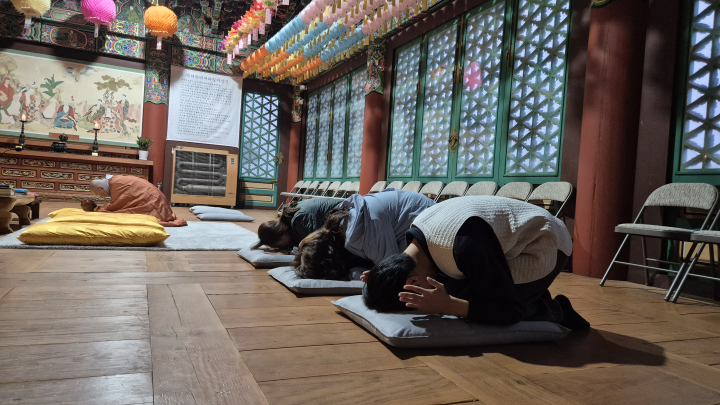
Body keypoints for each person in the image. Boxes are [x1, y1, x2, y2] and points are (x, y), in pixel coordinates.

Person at [361, 196, 589, 330]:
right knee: (455, 292)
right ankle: (532, 293)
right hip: (500, 243)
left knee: (481, 308)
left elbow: (507, 311)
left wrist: (447, 306)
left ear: (412, 283)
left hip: (544, 244)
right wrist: (380, 277)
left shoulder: (464, 247)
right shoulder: (417, 235)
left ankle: (556, 311)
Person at [295, 188, 436, 280]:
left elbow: (394, 271)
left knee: (406, 279)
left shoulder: (363, 236)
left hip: (432, 224)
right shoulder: (341, 223)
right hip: (416, 218)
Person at [81, 175, 187, 227]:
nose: (101, 197)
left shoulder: (115, 184)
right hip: (158, 201)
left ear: (101, 188)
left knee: (116, 214)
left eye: (98, 194)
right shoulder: (114, 181)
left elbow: (117, 206)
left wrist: (99, 209)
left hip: (155, 203)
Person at [252, 198, 343, 251]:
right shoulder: (287, 219)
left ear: (281, 234)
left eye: (277, 246)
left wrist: (290, 252)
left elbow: (317, 245)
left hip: (345, 216)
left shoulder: (299, 220)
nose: (280, 248)